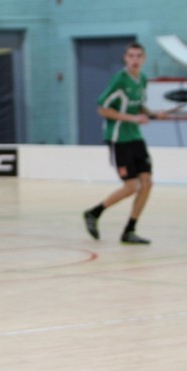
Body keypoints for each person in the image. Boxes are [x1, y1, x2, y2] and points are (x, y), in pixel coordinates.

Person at [83, 41, 169, 245]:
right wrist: (132, 118)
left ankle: (130, 230)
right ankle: (94, 213)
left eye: (138, 56)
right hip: (118, 138)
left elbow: (138, 106)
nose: (134, 59)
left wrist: (154, 114)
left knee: (147, 183)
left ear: (144, 59)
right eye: (131, 56)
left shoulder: (143, 79)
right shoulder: (119, 80)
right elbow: (102, 108)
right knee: (131, 186)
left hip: (135, 137)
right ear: (125, 58)